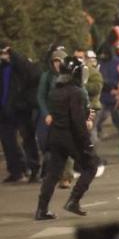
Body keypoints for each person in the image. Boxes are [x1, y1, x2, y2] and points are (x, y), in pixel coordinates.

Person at [36, 57, 100, 220]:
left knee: (53, 173)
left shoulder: (55, 91)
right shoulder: (76, 92)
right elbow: (77, 122)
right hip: (70, 137)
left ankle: (41, 209)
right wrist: (87, 144)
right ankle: (74, 201)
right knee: (91, 165)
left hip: (55, 136)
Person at [0, 43, 41, 183]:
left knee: (27, 139)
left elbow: (28, 70)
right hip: (5, 109)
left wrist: (12, 52)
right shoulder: (2, 67)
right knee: (8, 142)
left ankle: (34, 169)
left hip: (21, 108)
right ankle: (16, 171)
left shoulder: (19, 65)